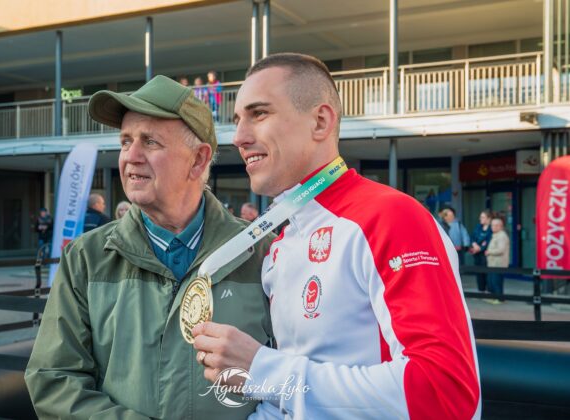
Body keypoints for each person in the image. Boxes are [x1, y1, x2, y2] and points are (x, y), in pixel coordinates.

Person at [192, 53, 480, 419]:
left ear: (320, 121)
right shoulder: (281, 243)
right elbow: (292, 400)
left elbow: (447, 395)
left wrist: (263, 370)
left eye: (259, 113)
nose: (239, 137)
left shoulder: (391, 217)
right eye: (237, 120)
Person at [25, 75, 273, 419]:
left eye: (150, 142)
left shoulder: (263, 253)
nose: (131, 156)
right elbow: (54, 380)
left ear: (198, 160)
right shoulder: (86, 257)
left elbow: (295, 378)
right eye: (126, 141)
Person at [485, 216, 510, 304]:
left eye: (496, 225)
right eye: (492, 225)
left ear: (501, 226)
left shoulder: (502, 236)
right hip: (492, 263)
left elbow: (501, 250)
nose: (493, 227)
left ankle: (499, 299)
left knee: (497, 282)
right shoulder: (495, 235)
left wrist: (489, 252)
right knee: (492, 281)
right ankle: (493, 297)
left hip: (498, 264)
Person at [469, 209, 493, 292]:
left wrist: (480, 248)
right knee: (478, 273)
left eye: (482, 217)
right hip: (477, 254)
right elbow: (472, 237)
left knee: (487, 273)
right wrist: (474, 244)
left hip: (486, 255)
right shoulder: (478, 226)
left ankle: (488, 291)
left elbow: (489, 241)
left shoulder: (491, 228)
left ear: (489, 218)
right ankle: (481, 290)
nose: (480, 219)